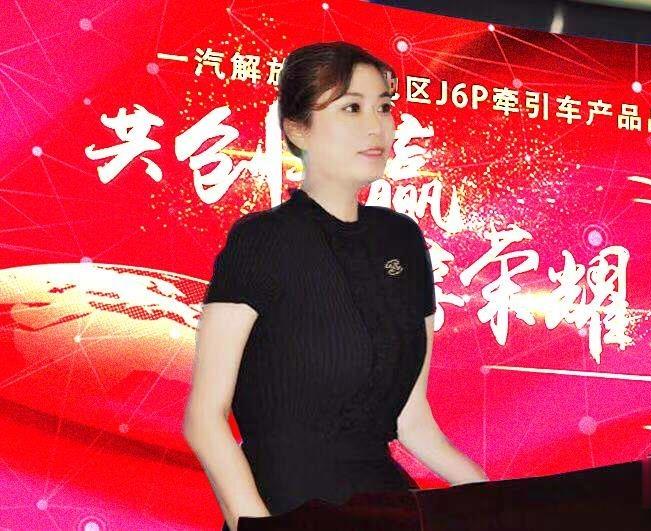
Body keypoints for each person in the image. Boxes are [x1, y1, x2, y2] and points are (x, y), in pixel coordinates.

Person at [183, 41, 489, 531]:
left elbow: (411, 421)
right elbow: (204, 419)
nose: (377, 127)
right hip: (286, 508)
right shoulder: (261, 240)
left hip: (384, 506)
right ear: (296, 128)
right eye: (351, 108)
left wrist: (493, 500)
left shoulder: (401, 239)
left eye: (384, 107)